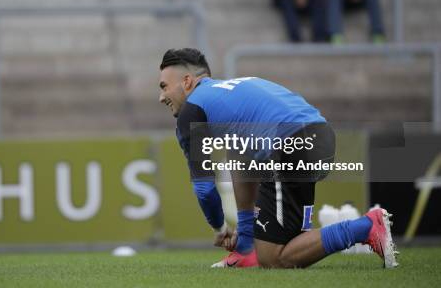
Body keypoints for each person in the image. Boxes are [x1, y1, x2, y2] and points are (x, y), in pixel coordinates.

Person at [158, 48, 398, 269]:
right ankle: (246, 248)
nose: (161, 97)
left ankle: (366, 227)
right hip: (316, 137)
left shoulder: (192, 110)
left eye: (163, 86)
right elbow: (242, 160)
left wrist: (220, 229)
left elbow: (204, 189)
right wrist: (243, 236)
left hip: (291, 145)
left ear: (187, 82)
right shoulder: (232, 91)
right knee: (238, 151)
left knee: (273, 257)